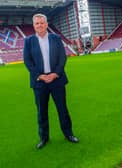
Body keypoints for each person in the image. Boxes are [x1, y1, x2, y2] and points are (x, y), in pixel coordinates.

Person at [23, 13, 79, 149]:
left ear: (47, 24)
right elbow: (28, 61)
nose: (40, 25)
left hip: (57, 80)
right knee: (42, 111)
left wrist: (55, 74)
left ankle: (68, 134)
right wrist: (40, 75)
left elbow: (62, 58)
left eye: (42, 23)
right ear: (34, 26)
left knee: (62, 109)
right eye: (37, 23)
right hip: (39, 82)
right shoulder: (29, 41)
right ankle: (44, 137)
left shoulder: (56, 38)